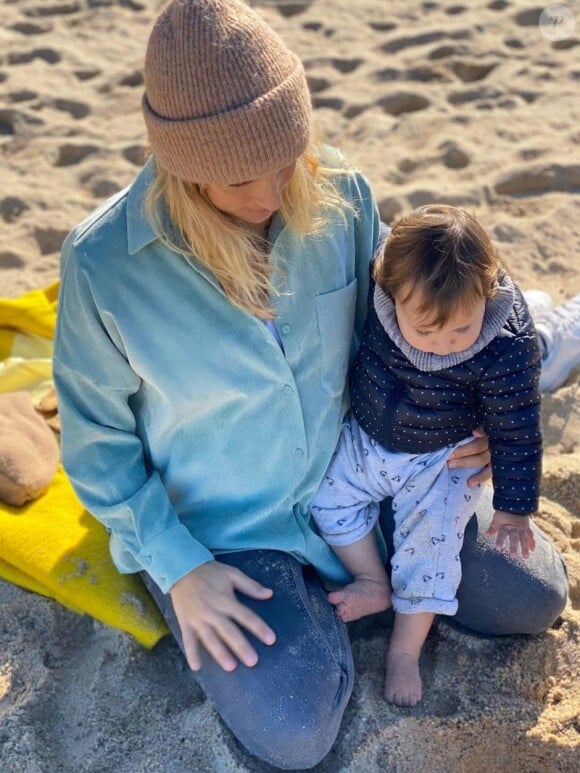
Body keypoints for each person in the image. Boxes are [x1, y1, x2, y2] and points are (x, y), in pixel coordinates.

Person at [52, 0, 573, 769]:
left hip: (378, 479)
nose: (271, 194)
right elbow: (96, 448)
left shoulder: (342, 194)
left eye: (286, 158)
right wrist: (180, 568)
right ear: (180, 165)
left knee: (536, 595)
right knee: (296, 732)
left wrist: (490, 422)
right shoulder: (102, 267)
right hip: (229, 536)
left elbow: (424, 315)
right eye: (236, 178)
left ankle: (373, 595)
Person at [310, 204, 542, 707]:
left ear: (488, 295)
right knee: (326, 499)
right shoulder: (382, 290)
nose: (442, 346)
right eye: (426, 331)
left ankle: (404, 651)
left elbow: (518, 424)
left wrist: (514, 506)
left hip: (444, 458)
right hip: (370, 438)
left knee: (430, 551)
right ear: (390, 296)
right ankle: (371, 580)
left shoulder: (504, 347)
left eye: (461, 331)